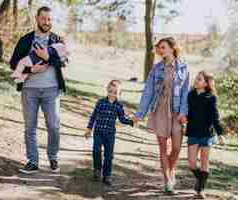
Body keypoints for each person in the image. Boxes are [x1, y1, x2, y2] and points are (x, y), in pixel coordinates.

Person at [9, 6, 68, 174]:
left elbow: (64, 62)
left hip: (51, 90)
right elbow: (13, 64)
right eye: (43, 18)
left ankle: (53, 157)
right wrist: (31, 70)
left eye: (49, 19)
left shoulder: (58, 39)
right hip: (29, 90)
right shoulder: (26, 40)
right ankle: (33, 161)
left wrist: (48, 57)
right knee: (30, 127)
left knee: (54, 126)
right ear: (37, 18)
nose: (47, 22)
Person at [133, 37, 189, 193]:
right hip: (160, 111)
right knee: (163, 148)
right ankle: (167, 181)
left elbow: (185, 93)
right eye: (159, 48)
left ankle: (170, 170)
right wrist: (140, 114)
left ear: (172, 48)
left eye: (163, 47)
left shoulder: (183, 68)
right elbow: (148, 92)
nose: (160, 50)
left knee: (177, 148)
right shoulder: (156, 69)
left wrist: (184, 113)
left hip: (177, 112)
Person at [185, 71, 226, 199]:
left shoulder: (211, 97)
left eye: (199, 79)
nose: (196, 81)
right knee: (191, 162)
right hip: (193, 132)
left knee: (204, 162)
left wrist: (220, 134)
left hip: (207, 134)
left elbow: (215, 117)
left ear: (206, 84)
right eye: (196, 78)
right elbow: (187, 112)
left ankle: (201, 189)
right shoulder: (190, 95)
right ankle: (201, 179)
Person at [84, 80, 134, 186]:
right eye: (110, 91)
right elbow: (93, 116)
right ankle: (97, 170)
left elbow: (122, 119)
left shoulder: (119, 106)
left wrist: (132, 122)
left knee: (109, 156)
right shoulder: (100, 102)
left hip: (110, 135)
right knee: (96, 151)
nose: (112, 94)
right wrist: (89, 129)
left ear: (119, 94)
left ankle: (107, 175)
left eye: (115, 93)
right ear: (107, 90)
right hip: (98, 132)